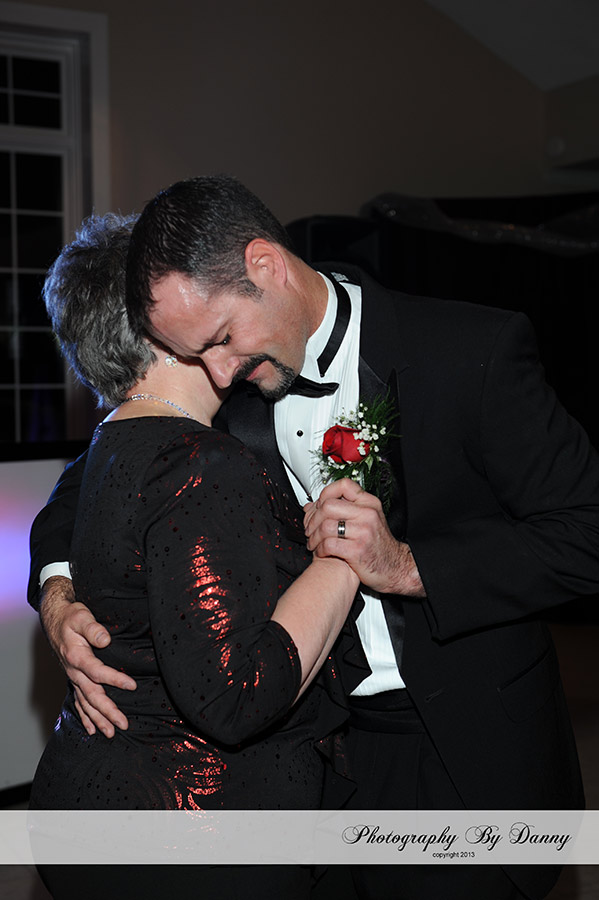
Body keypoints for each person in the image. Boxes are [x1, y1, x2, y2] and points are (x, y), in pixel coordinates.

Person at [29, 177, 599, 900]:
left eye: (222, 339)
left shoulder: (469, 350)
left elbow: (586, 531)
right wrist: (58, 592)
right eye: (195, 353)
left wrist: (409, 566)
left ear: (266, 265)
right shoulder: (223, 375)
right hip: (308, 750)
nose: (217, 372)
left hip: (462, 741)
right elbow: (89, 482)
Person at [29, 212, 361, 900]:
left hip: (87, 797)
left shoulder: (115, 438)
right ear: (163, 324)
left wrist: (58, 588)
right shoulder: (196, 457)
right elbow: (235, 695)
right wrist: (341, 557)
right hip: (197, 831)